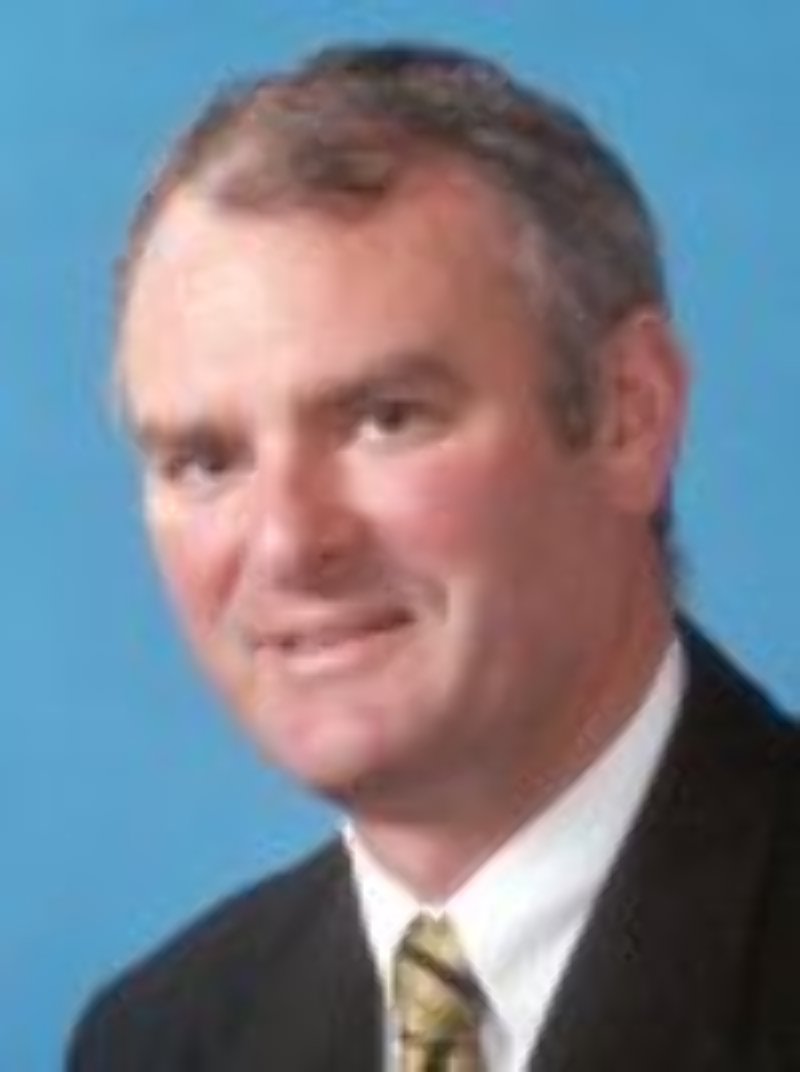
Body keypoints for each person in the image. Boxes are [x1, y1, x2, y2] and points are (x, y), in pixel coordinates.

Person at [69, 41, 799, 1072]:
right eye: (206, 460)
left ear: (628, 416)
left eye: (387, 417)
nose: (288, 541)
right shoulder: (156, 1040)